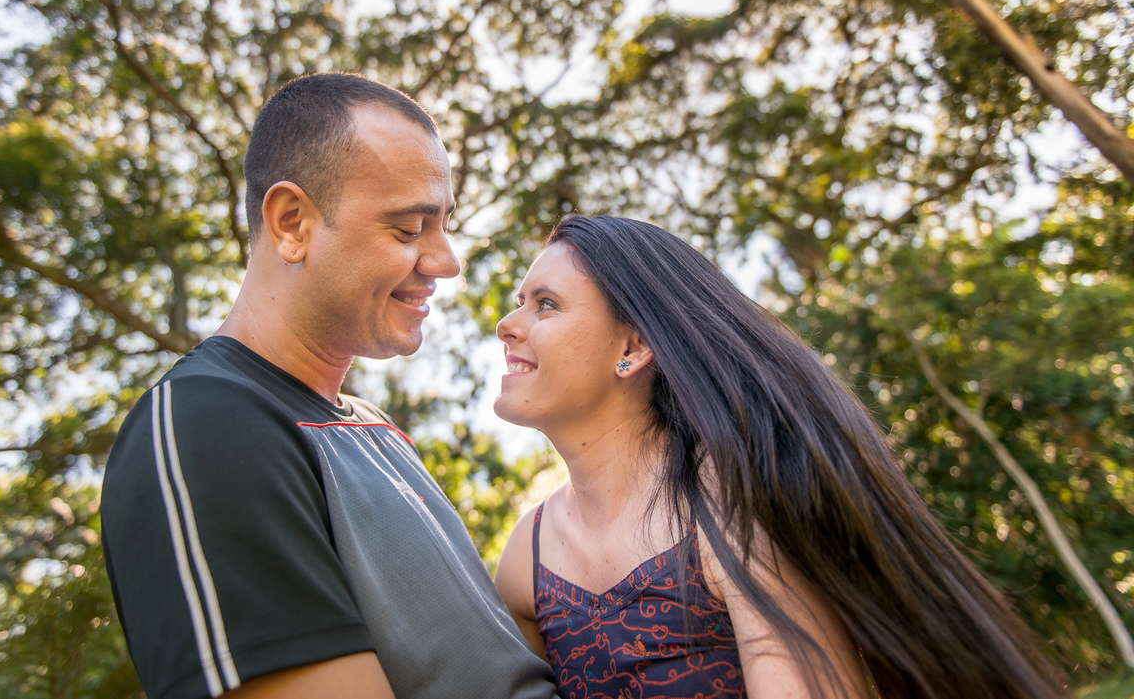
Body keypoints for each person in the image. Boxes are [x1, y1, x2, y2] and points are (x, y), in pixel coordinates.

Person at [101, 73, 557, 699]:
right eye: (409, 229)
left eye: (444, 225)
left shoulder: (378, 432)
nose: (446, 262)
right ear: (292, 224)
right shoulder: (205, 424)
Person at [492, 215, 1070, 699]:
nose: (506, 325)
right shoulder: (525, 560)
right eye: (520, 302)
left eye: (546, 304)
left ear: (633, 346)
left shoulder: (727, 498)